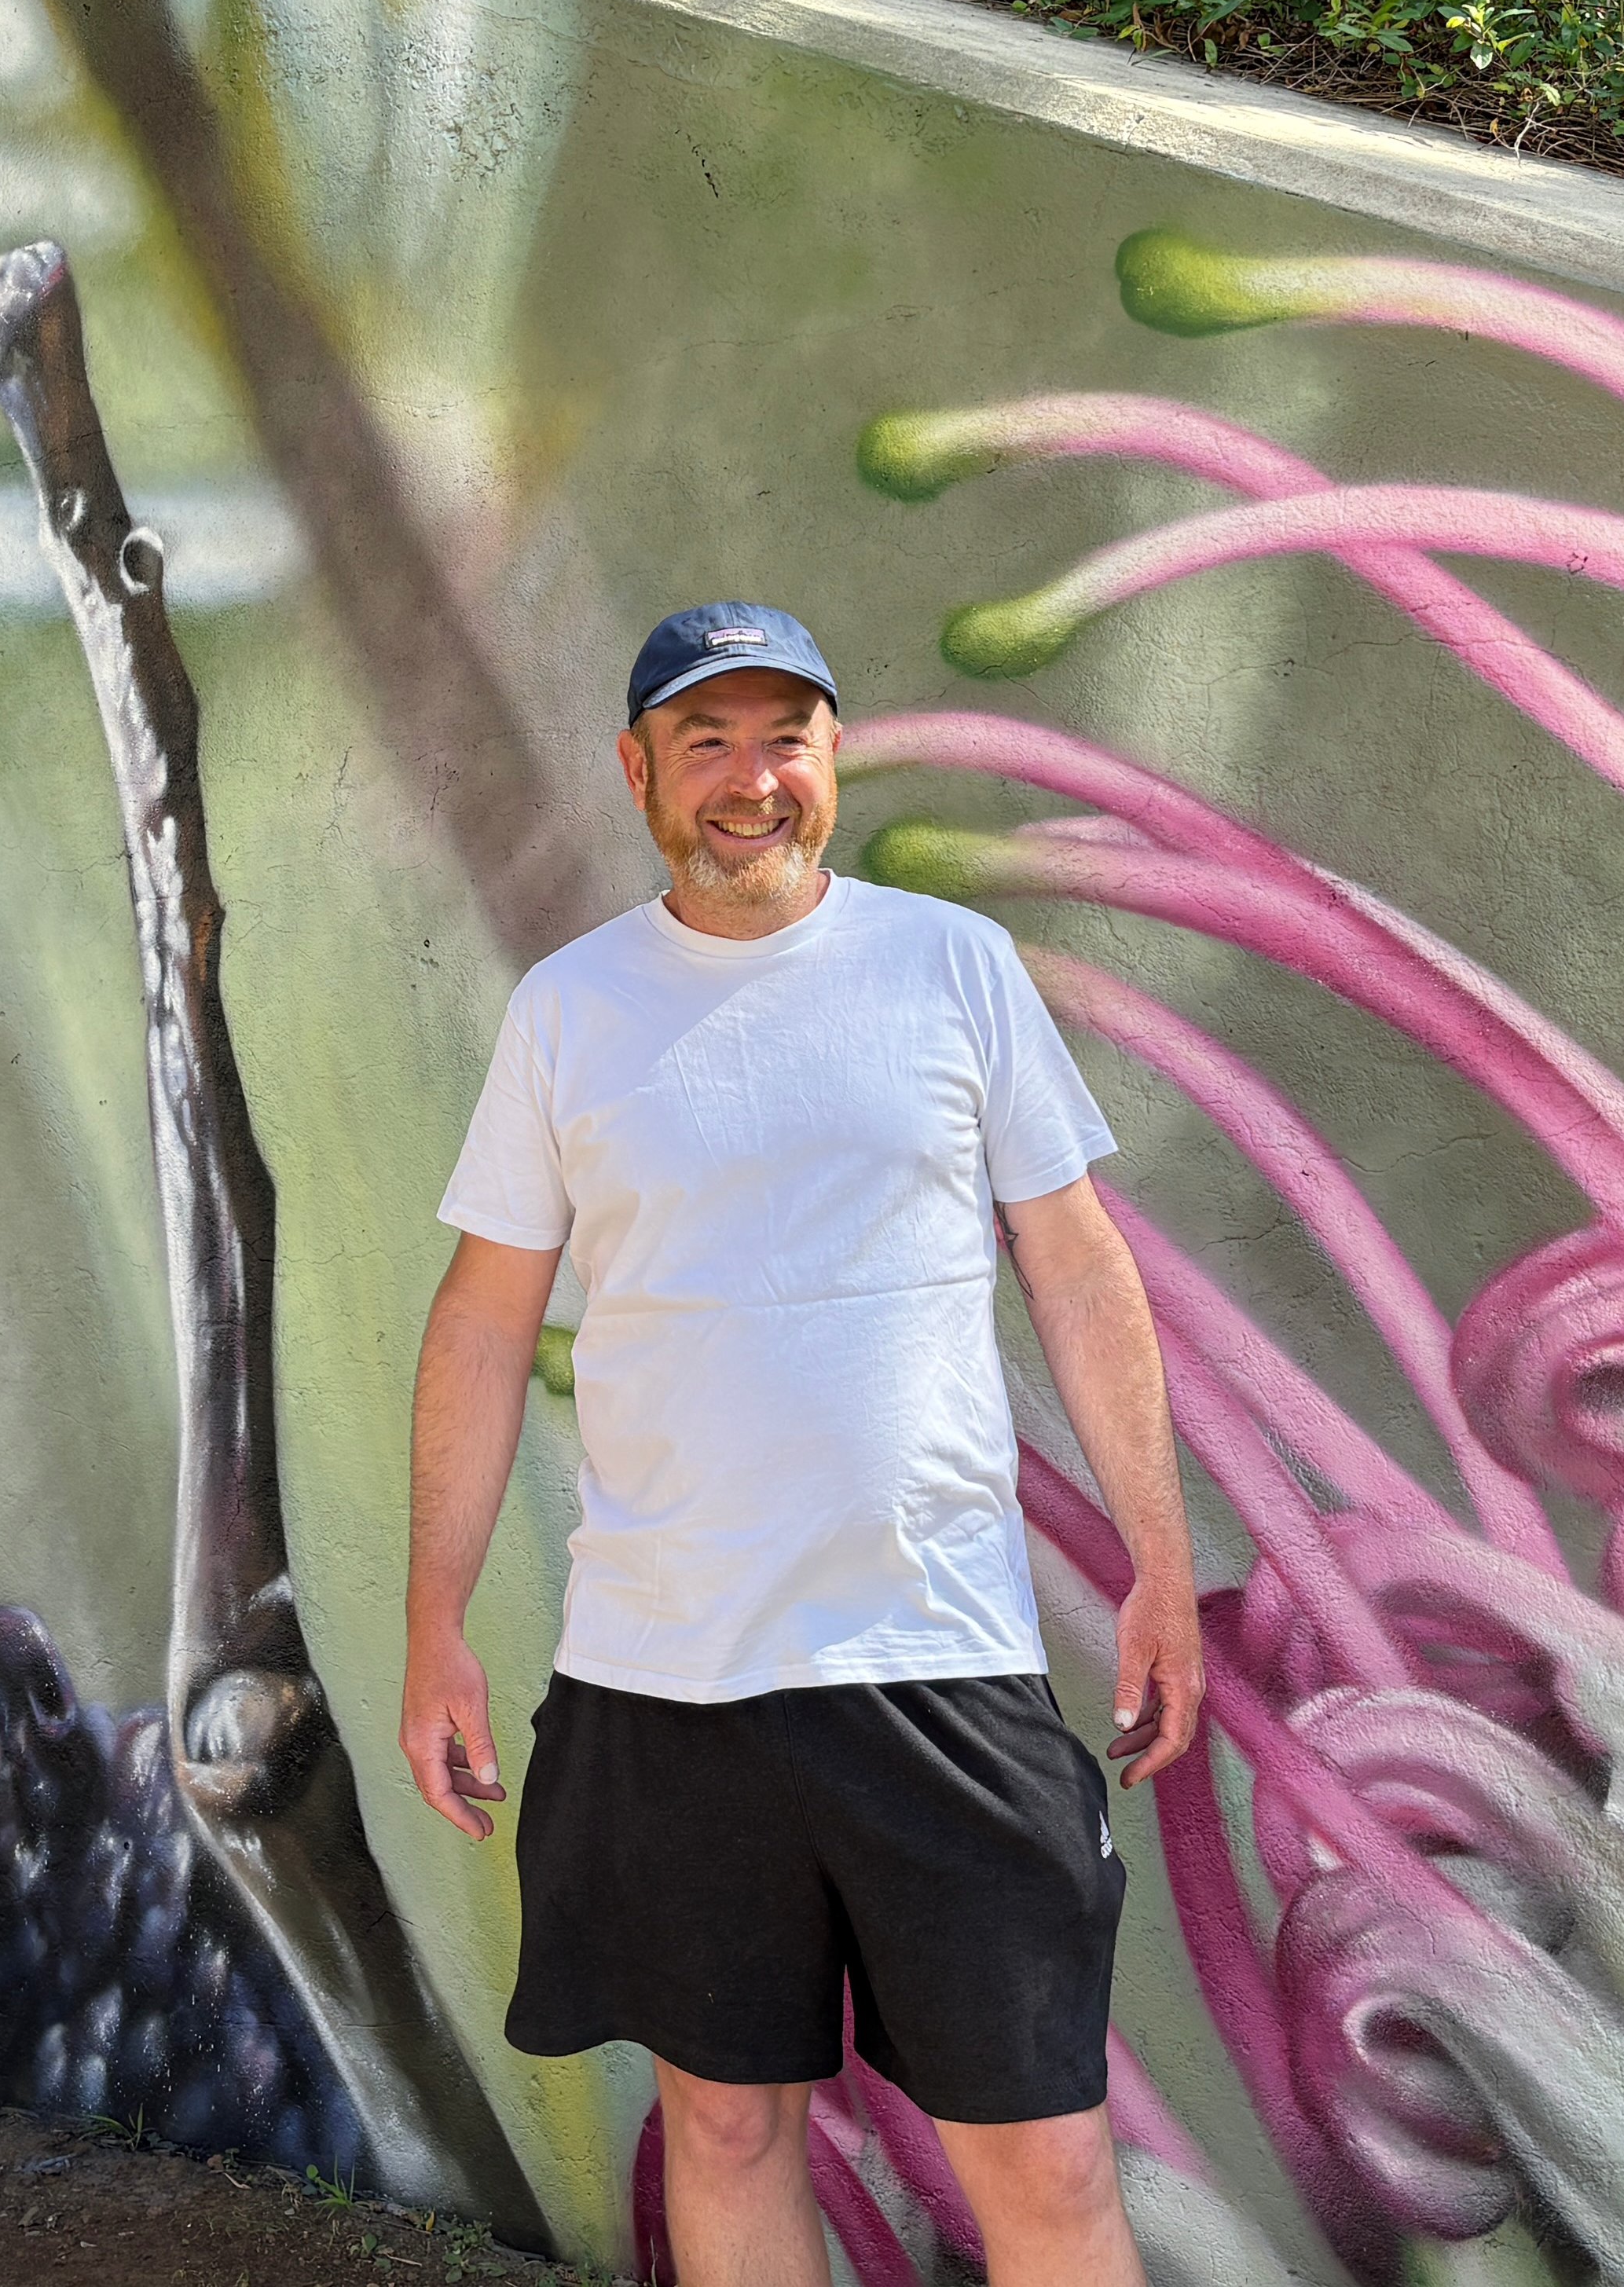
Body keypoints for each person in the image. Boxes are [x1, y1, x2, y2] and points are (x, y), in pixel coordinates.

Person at [404, 600, 1203, 2287]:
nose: (752, 779)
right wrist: (434, 1623)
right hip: (666, 1679)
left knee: (1049, 2155)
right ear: (638, 773)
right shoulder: (568, 1010)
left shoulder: (954, 967)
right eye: (707, 740)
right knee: (724, 2128)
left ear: (836, 755)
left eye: (788, 737)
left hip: (942, 1655)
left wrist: (1161, 1561)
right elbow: (479, 1321)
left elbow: (1076, 1265)